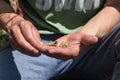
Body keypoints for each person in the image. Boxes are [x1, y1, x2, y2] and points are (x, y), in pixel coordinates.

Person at [0, 0, 120, 80]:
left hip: (98, 42)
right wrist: (12, 21)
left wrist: (84, 35)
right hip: (34, 45)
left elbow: (116, 4)